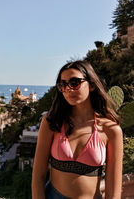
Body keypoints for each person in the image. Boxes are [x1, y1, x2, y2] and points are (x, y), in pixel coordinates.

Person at [32, 60, 123, 199]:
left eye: (75, 83)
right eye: (63, 85)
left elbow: (113, 189)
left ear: (91, 85)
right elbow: (38, 176)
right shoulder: (52, 121)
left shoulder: (110, 130)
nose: (69, 89)